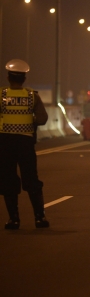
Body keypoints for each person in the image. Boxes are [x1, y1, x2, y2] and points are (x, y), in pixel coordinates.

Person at [1, 59, 49, 230]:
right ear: (24, 79)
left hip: (5, 143)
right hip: (26, 143)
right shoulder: (32, 96)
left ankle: (14, 220)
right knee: (31, 179)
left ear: (8, 77)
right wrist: (30, 121)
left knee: (8, 180)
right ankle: (39, 218)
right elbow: (42, 119)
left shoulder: (1, 96)